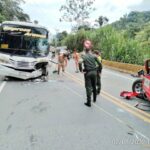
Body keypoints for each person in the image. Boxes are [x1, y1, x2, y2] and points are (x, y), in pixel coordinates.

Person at [79, 40, 102, 107]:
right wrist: (99, 71)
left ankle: (89, 102)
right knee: (94, 86)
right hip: (94, 72)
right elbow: (100, 64)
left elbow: (80, 63)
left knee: (88, 87)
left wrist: (81, 70)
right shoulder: (94, 56)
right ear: (90, 50)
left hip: (87, 73)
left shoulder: (84, 56)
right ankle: (94, 99)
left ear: (85, 50)